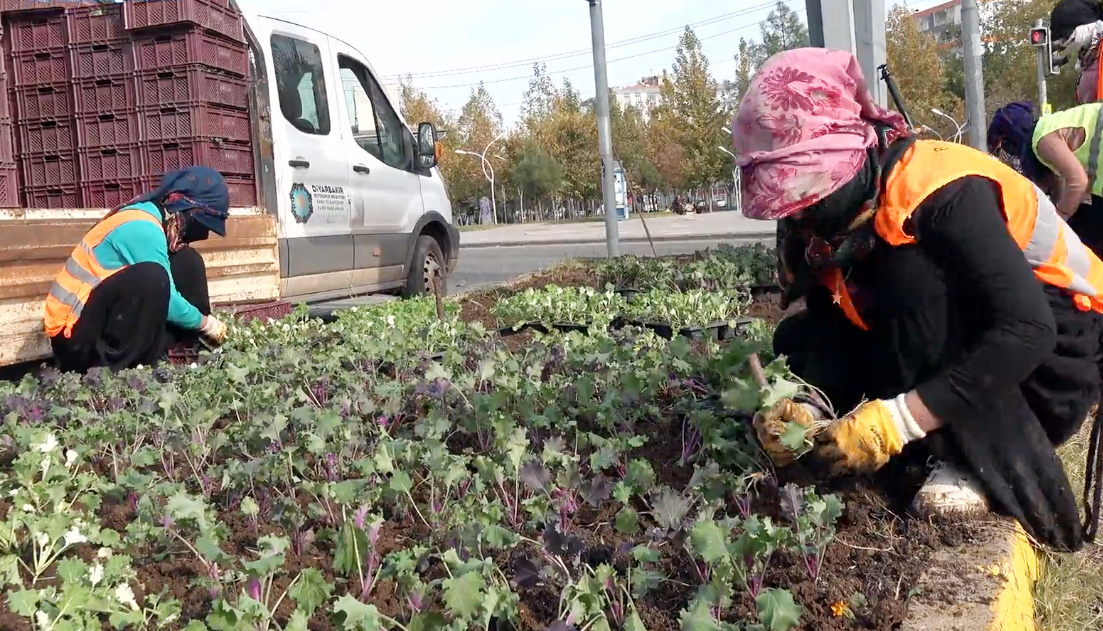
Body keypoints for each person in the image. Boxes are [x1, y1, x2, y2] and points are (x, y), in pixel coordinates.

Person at [735, 47, 1103, 551]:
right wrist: (802, 399)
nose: (799, 214)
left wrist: (896, 421)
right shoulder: (838, 219)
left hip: (1054, 360)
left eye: (809, 191)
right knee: (800, 336)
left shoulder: (943, 191)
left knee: (910, 283)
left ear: (852, 156)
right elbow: (830, 320)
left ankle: (962, 458)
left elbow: (1026, 331)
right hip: (980, 344)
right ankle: (900, 426)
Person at [44, 166, 232, 373]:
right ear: (185, 211)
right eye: (203, 224)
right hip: (72, 339)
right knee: (152, 278)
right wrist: (206, 324)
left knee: (187, 261)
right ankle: (117, 375)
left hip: (95, 324)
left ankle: (183, 354)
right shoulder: (142, 227)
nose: (204, 234)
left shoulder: (153, 220)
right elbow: (168, 299)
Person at [989, 100, 1103, 257]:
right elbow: (1062, 185)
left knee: (1082, 236)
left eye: (1007, 147)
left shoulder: (1043, 140)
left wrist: (1058, 222)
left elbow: (1077, 182)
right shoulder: (1049, 127)